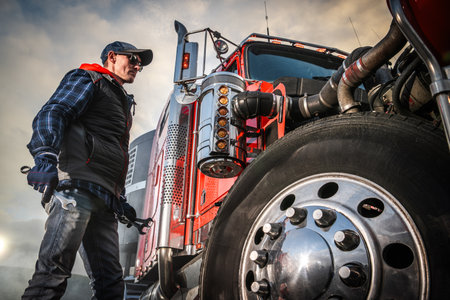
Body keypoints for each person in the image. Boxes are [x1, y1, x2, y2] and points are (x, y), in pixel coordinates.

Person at [22, 41, 153, 300]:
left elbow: (113, 153)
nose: (138, 66)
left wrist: (120, 198)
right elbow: (54, 112)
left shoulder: (119, 100)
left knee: (111, 287)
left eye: (141, 63)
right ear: (112, 57)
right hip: (75, 188)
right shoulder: (89, 79)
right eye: (133, 59)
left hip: (104, 199)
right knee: (52, 273)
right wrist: (45, 156)